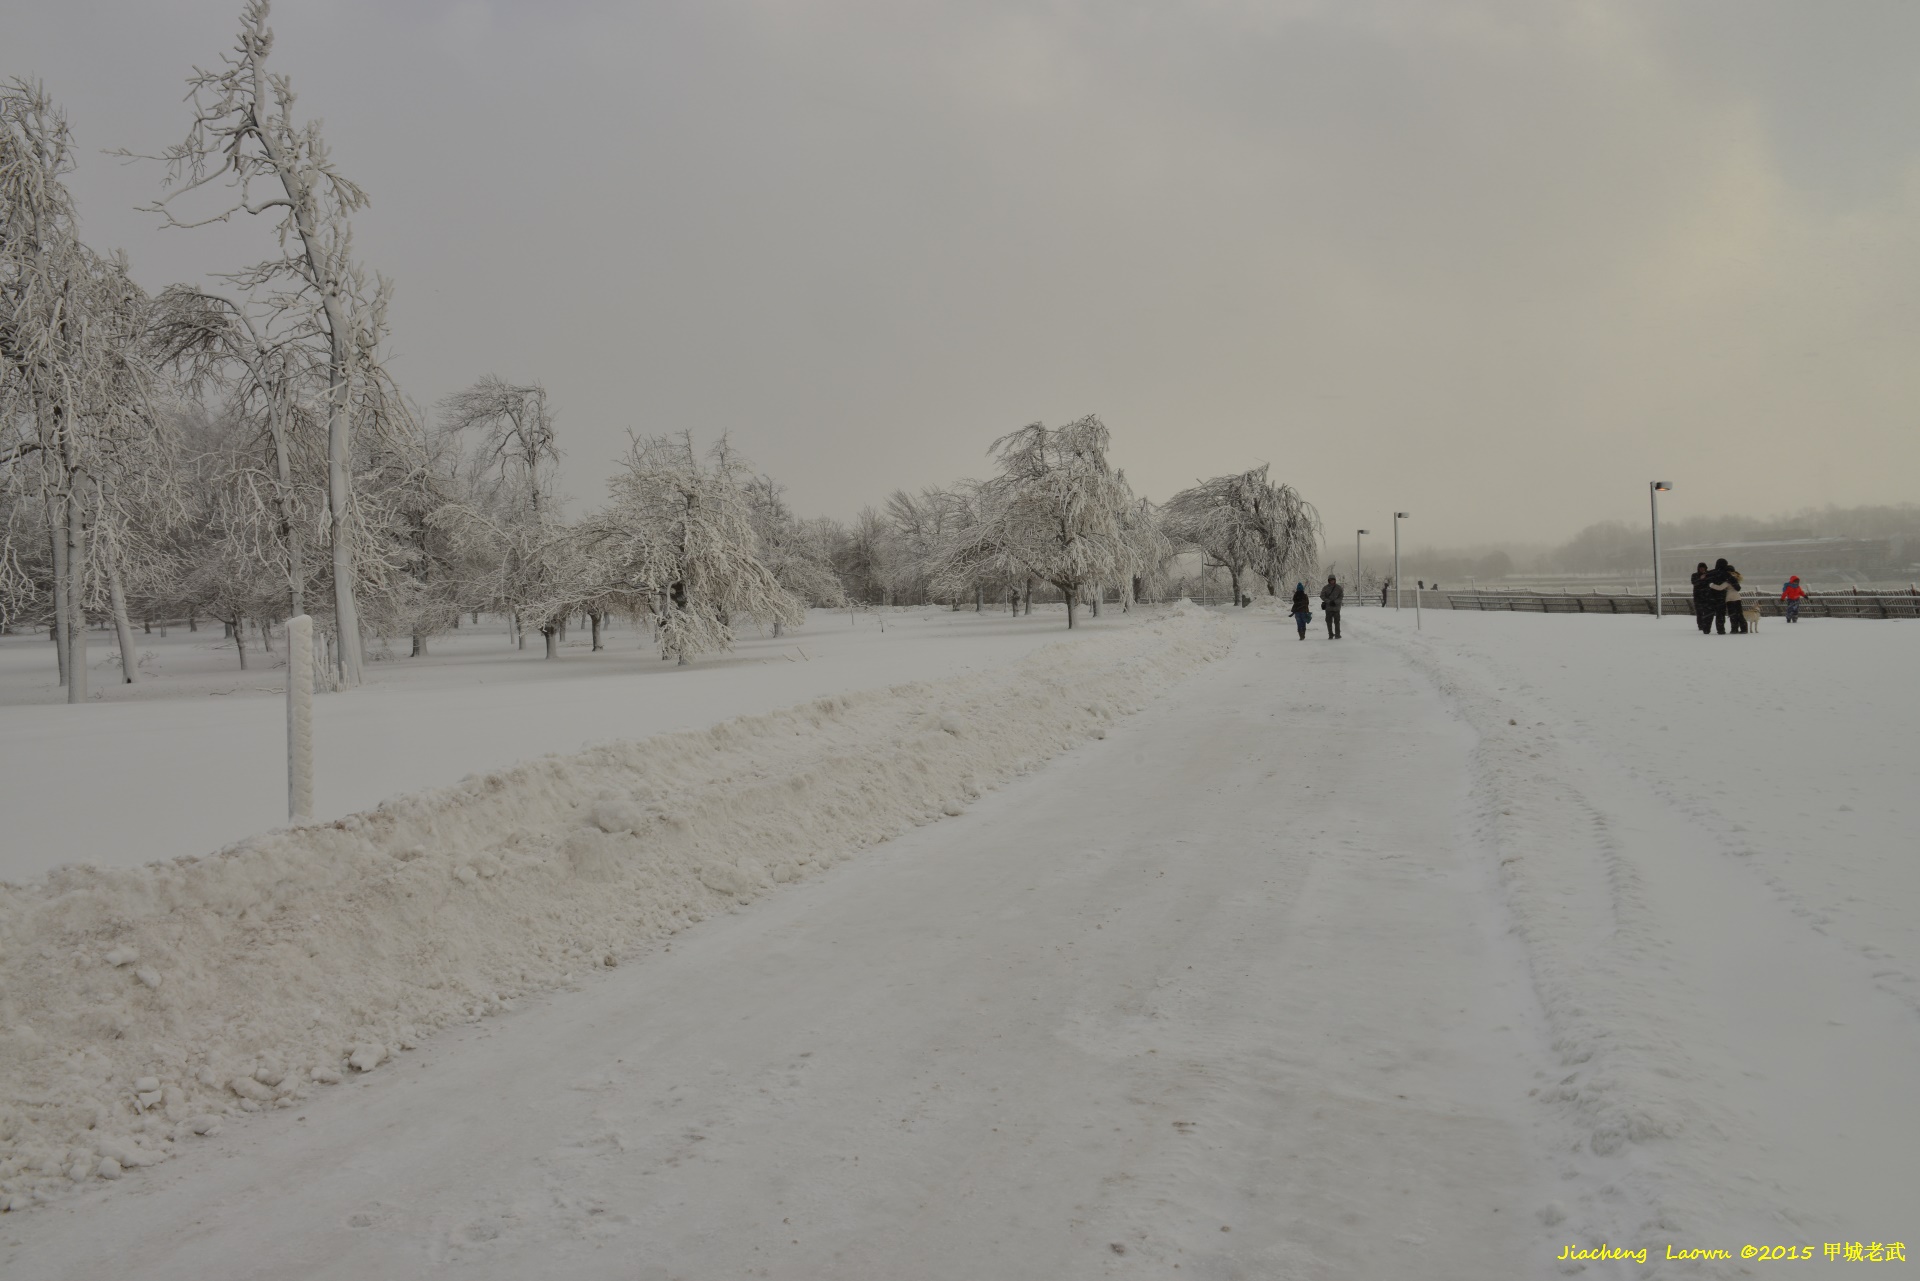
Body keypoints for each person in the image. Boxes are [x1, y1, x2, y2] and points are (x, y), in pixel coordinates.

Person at [1703, 558, 1734, 634]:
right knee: (1720, 614)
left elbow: (1704, 584)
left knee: (1708, 614)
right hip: (1721, 597)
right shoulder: (1726, 574)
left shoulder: (1710, 573)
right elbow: (1733, 582)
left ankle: (1706, 629)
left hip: (1710, 597)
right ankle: (1720, 629)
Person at [1690, 562, 1715, 635]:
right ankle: (1700, 625)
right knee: (1699, 612)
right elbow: (1694, 583)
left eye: (1703, 568)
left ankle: (1705, 625)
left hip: (1707, 596)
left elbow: (1711, 583)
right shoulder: (1694, 575)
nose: (1702, 569)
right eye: (1700, 568)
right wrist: (1700, 579)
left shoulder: (1708, 575)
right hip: (1698, 597)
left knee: (1706, 612)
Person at [1723, 562, 1748, 634]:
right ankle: (1744, 628)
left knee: (1732, 614)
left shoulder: (1728, 578)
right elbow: (1738, 588)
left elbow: (1721, 587)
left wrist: (1711, 585)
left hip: (1730, 599)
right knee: (1739, 614)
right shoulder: (1737, 578)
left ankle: (1734, 629)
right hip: (1737, 598)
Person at [1320, 574, 1344, 639]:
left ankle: (1337, 634)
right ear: (1328, 580)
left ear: (1335, 580)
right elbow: (1322, 596)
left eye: (1333, 580)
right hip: (1328, 608)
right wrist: (1329, 601)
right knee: (1328, 622)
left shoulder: (1339, 588)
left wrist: (1335, 602)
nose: (1332, 581)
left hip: (1336, 608)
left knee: (1337, 622)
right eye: (1330, 580)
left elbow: (1341, 596)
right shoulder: (1325, 588)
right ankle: (1330, 634)